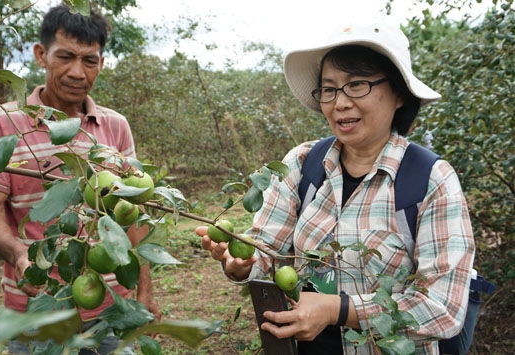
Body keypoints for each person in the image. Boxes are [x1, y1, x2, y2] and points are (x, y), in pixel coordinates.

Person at [196, 21, 475, 354]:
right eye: (329, 89)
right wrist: (242, 263)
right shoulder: (302, 163)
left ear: (399, 93)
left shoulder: (431, 180)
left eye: (356, 85)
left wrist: (337, 309)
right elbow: (267, 253)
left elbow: (443, 308)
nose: (339, 103)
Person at [0, 5, 161, 354]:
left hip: (111, 310)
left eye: (90, 61)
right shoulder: (5, 123)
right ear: (41, 55)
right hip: (38, 309)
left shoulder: (114, 126)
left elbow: (133, 213)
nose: (78, 72)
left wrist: (143, 288)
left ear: (102, 63)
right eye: (66, 57)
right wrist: (18, 254)